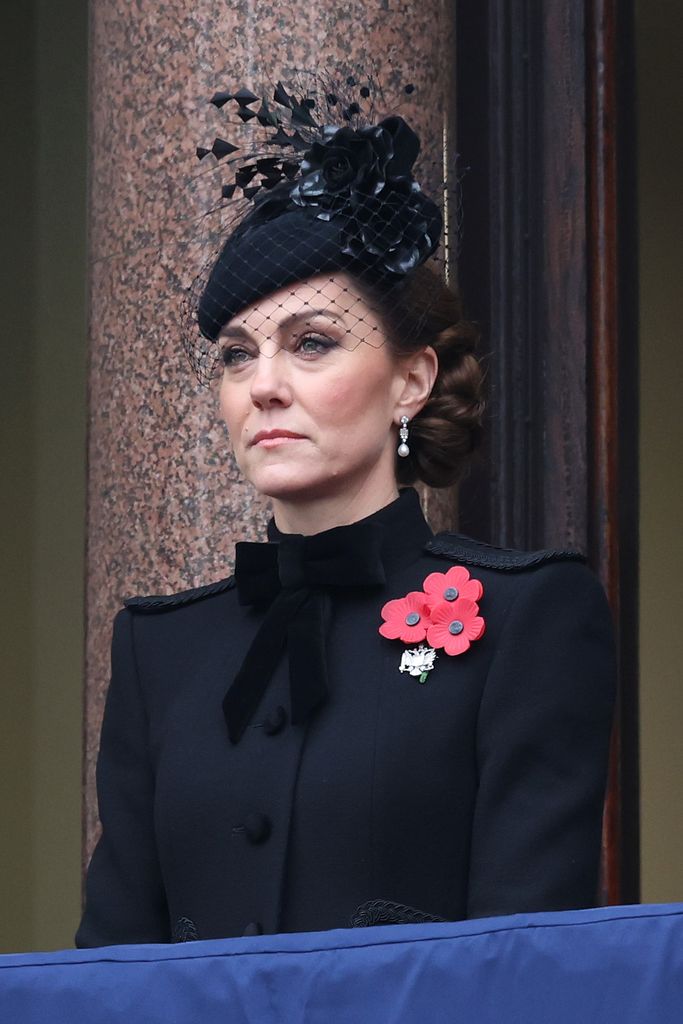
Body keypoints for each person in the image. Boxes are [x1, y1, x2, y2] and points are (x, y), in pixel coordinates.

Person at [76, 79, 616, 947]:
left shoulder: (528, 618)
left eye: (312, 342)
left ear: (411, 380)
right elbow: (111, 963)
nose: (263, 385)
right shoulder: (160, 650)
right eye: (236, 355)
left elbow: (527, 967)